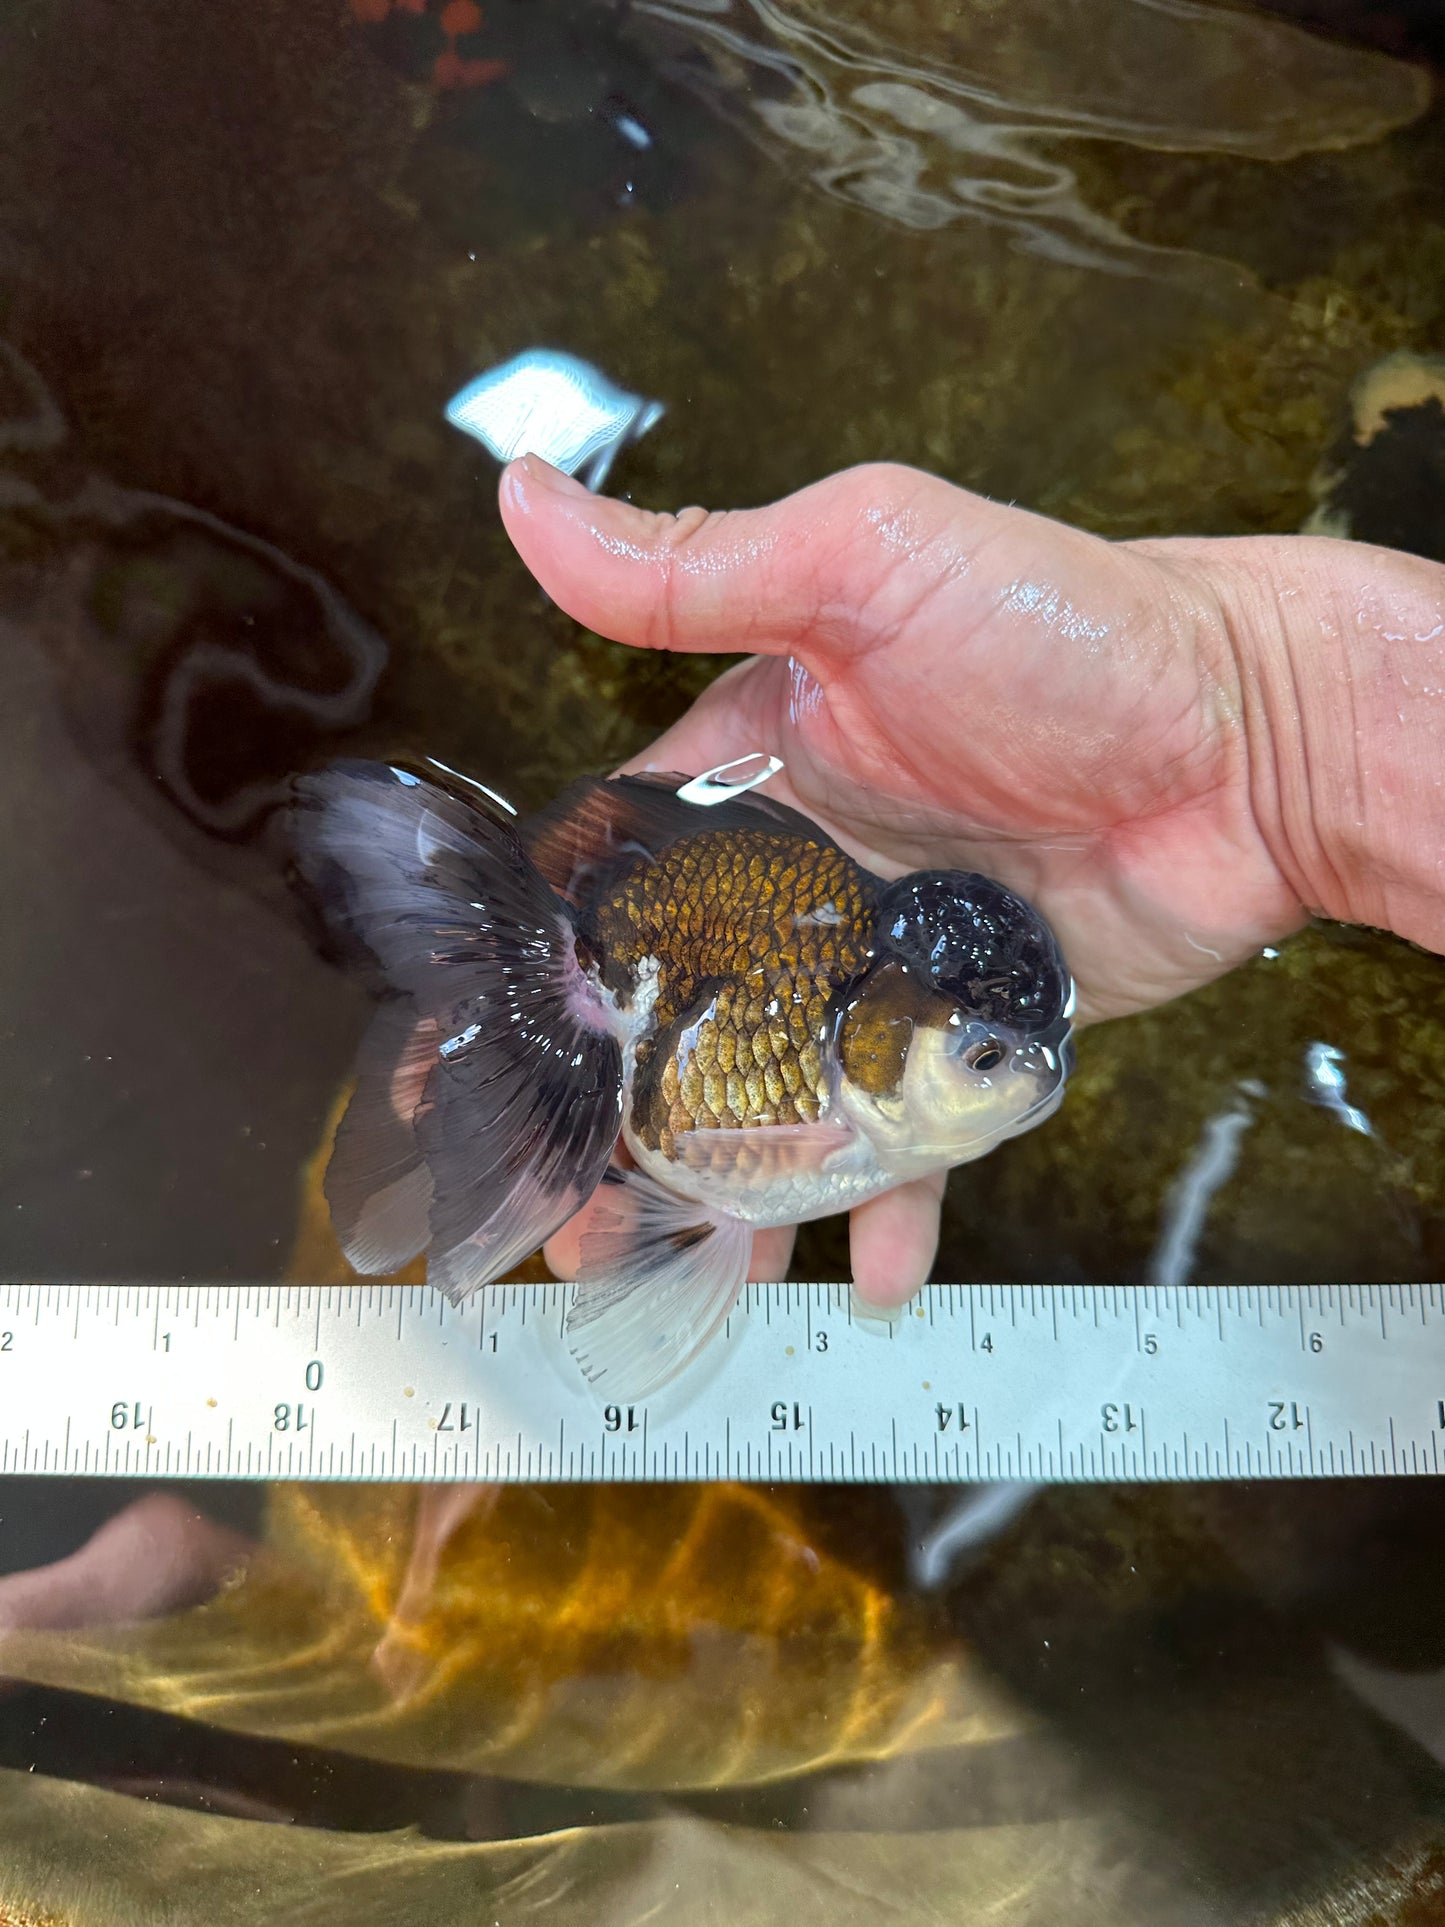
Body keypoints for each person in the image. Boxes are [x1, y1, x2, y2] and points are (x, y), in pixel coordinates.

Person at [498, 453, 1445, 1304]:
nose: (1033, 1073)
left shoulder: (872, 1019)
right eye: (984, 1058)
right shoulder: (820, 1009)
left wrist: (1274, 721)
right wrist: (1276, 730)